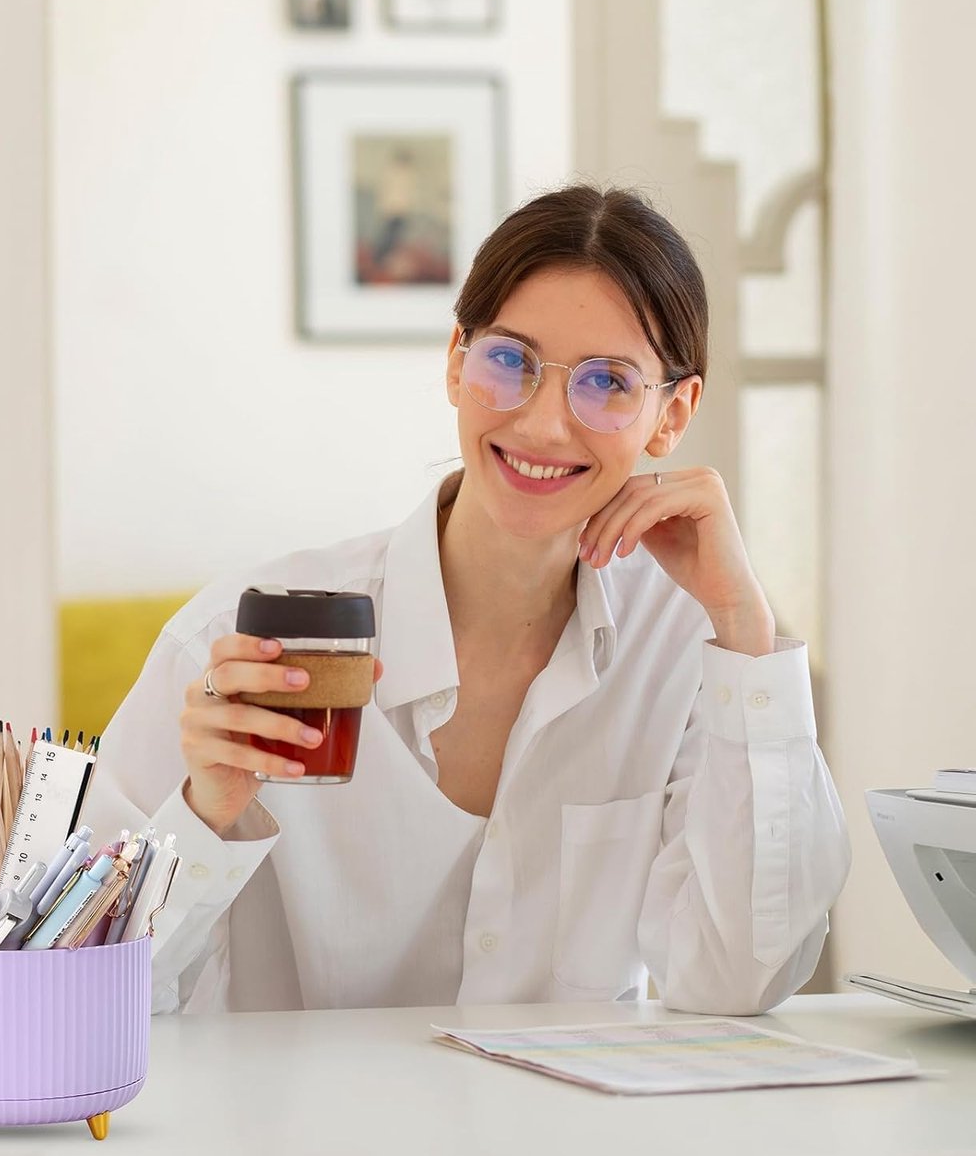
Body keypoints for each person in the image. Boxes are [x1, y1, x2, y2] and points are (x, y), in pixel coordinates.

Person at [82, 184, 850, 1015]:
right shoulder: (230, 649)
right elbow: (77, 992)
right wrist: (204, 817)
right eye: (511, 362)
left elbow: (741, 977)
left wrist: (745, 628)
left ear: (672, 414)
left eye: (608, 382)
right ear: (457, 361)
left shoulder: (689, 646)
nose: (545, 426)